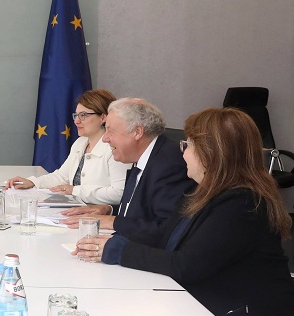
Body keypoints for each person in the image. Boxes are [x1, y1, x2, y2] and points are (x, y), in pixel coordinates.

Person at [73, 107, 294, 316]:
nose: (183, 153)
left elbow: (186, 266)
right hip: (219, 307)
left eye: (187, 145)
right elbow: (163, 236)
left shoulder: (242, 204)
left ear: (211, 153)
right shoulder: (204, 192)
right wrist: (108, 242)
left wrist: (119, 251)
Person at [58, 97, 195, 241]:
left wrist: (113, 222)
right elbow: (140, 211)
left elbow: (166, 230)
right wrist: (108, 210)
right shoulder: (142, 156)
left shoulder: (169, 164)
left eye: (110, 131)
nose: (105, 138)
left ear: (137, 132)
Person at [5, 89, 130, 205]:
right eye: (76, 115)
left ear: (103, 117)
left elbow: (119, 193)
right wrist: (33, 182)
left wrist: (75, 190)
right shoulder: (80, 143)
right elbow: (62, 177)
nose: (76, 121)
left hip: (99, 215)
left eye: (83, 115)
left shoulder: (115, 148)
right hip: (76, 209)